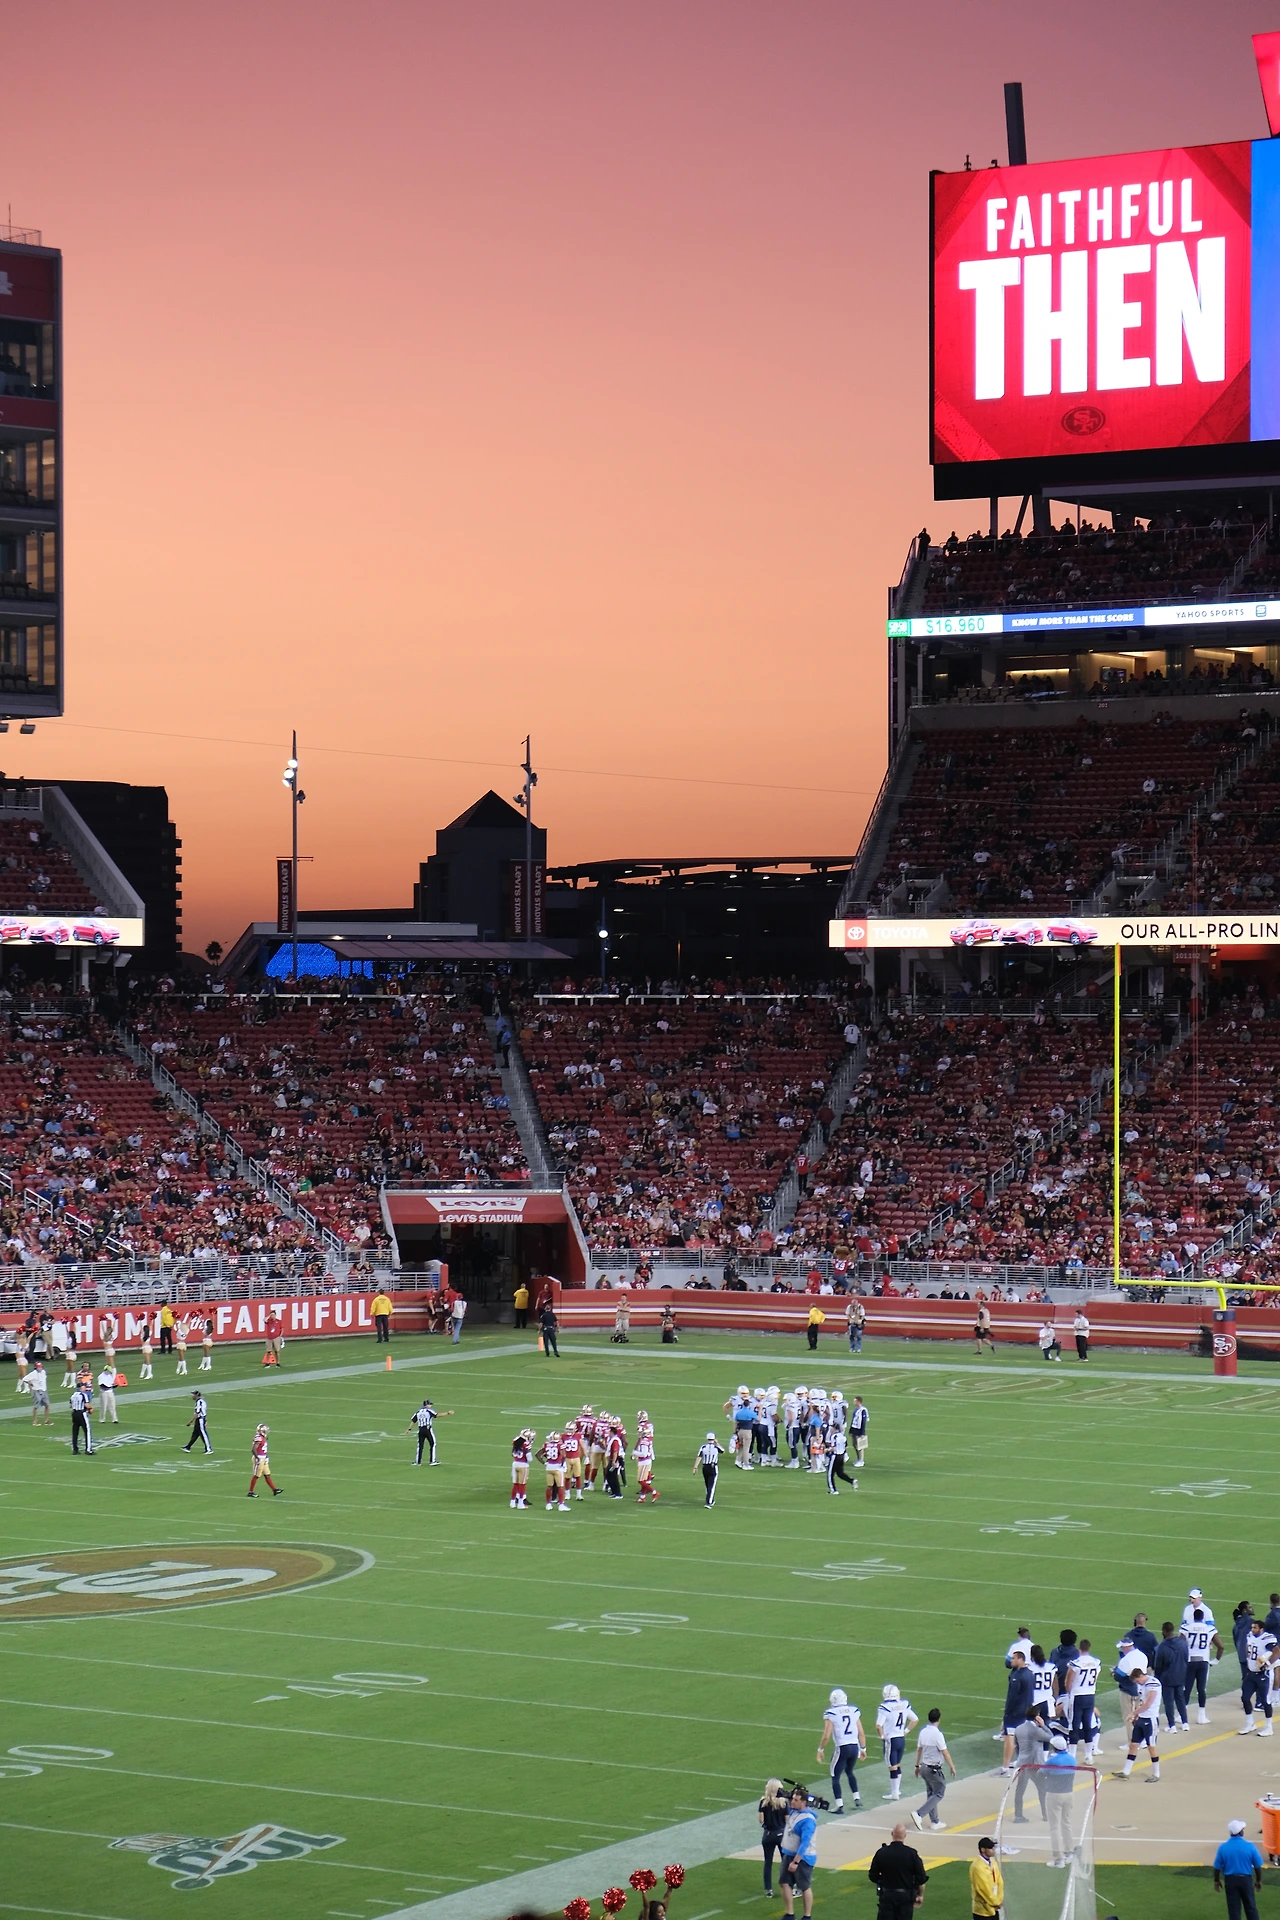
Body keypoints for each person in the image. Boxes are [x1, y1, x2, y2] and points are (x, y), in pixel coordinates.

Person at [817, 1686, 865, 1813]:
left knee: (835, 1776)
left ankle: (839, 1805)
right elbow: (861, 1732)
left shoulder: (831, 1713)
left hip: (842, 1747)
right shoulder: (853, 1710)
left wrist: (820, 1749)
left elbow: (826, 1735)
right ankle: (856, 1797)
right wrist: (863, 1748)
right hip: (854, 1746)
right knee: (849, 1771)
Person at [867, 1821, 927, 1919]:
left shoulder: (881, 1853)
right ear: (905, 1835)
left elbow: (873, 1875)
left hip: (887, 1896)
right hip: (906, 1898)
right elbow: (921, 1878)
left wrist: (882, 1880)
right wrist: (919, 1895)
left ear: (892, 1834)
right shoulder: (912, 1854)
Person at [1112, 1664, 1161, 1780]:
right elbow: (1141, 1701)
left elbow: (1148, 1704)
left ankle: (1156, 1773)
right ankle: (1126, 1771)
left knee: (1151, 1746)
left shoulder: (1153, 1684)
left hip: (1150, 1719)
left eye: (1137, 1680)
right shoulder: (1141, 1685)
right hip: (1142, 1718)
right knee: (1133, 1745)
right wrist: (1137, 1715)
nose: (1137, 1683)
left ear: (1141, 1676)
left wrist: (1133, 1713)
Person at [778, 1784, 818, 1920]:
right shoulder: (794, 1812)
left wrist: (796, 1861)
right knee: (784, 1882)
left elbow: (805, 1843)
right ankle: (790, 1914)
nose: (792, 1801)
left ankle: (807, 1916)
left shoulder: (808, 1820)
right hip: (789, 1854)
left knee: (804, 1886)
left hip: (803, 1858)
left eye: (796, 1800)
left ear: (803, 1803)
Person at [911, 1707, 954, 1832]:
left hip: (924, 1767)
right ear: (939, 1719)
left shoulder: (923, 1732)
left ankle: (934, 1821)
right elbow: (944, 1752)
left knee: (931, 1794)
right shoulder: (937, 1734)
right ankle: (919, 1814)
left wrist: (917, 1766)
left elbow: (919, 1750)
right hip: (933, 1769)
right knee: (939, 1792)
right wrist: (952, 1766)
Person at [1213, 1818, 1264, 1920]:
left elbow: (1217, 1867)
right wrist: (1258, 1880)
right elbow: (1257, 1866)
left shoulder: (1223, 1847)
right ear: (1241, 1832)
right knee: (1251, 1907)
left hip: (1230, 1881)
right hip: (1246, 1880)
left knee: (1234, 1909)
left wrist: (1216, 1880)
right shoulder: (1250, 1846)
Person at [877, 1684, 918, 1802]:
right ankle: (897, 1790)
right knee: (897, 1764)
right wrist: (906, 1731)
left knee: (892, 1766)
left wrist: (882, 1736)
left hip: (891, 1739)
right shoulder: (904, 1704)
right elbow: (915, 1719)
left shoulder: (885, 1707)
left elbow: (878, 1725)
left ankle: (895, 1793)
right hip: (901, 1738)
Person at [1042, 1731, 1077, 1867]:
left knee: (1054, 1827)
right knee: (1066, 1823)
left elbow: (1040, 1774)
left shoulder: (1052, 1761)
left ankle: (1058, 1858)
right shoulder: (1072, 1759)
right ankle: (1069, 1852)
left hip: (1054, 1794)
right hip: (1069, 1794)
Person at [1182, 1605, 1222, 1723]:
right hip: (1203, 1661)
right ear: (1203, 1618)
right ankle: (1201, 1716)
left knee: (1187, 1688)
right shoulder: (1209, 1629)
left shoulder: (1187, 1628)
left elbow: (1180, 1644)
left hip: (1190, 1660)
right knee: (1201, 1689)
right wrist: (1216, 1660)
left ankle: (1182, 1715)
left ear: (1193, 1617)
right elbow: (1221, 1646)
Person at [1065, 1638, 1102, 1759]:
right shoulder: (1096, 1662)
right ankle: (1088, 1755)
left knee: (1074, 1725)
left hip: (1077, 1695)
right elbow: (1095, 1678)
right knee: (1087, 1724)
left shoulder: (1075, 1663)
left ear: (1079, 1648)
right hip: (1090, 1695)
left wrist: (1070, 1691)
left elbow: (1068, 1681)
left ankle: (1072, 1755)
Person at [1242, 1615, 1279, 1736]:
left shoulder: (1267, 1638)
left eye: (1255, 1628)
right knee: (1245, 1698)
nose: (1252, 1629)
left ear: (1261, 1629)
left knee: (1265, 1701)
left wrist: (1267, 1663)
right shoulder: (1249, 1635)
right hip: (1251, 1673)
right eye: (1252, 1627)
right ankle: (1250, 1723)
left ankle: (1268, 1727)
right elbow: (1247, 1647)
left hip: (1264, 1674)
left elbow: (1277, 1651)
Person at [1000, 1650, 1034, 1774]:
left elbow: (1013, 1696)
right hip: (1025, 1710)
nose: (1011, 1660)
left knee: (1009, 1737)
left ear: (1020, 1659)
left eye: (1014, 1658)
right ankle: (1022, 1762)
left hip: (1014, 1712)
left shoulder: (1018, 1676)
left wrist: (1008, 1711)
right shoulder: (1029, 1673)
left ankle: (1005, 1767)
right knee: (1021, 1738)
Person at [1154, 1620, 1190, 1732]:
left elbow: (1158, 1665)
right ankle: (1185, 1723)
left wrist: (1157, 1677)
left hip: (1167, 1678)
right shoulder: (1183, 1643)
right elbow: (1186, 1658)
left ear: (1164, 1631)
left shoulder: (1162, 1646)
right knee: (1180, 1699)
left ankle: (1172, 1725)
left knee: (1169, 1702)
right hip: (1180, 1676)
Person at [758, 1777, 789, 1896]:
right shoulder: (783, 1803)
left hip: (768, 1834)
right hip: (781, 1834)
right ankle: (788, 1886)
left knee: (768, 1862)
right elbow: (787, 1820)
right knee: (785, 1862)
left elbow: (761, 1820)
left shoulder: (763, 1801)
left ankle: (768, 1889)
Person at [405, 1397, 452, 1465]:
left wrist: (409, 1429)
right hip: (427, 1429)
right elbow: (437, 1415)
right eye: (430, 1404)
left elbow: (413, 1421)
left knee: (420, 1446)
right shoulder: (429, 1411)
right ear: (426, 1405)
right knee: (433, 1443)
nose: (431, 1405)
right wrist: (447, 1413)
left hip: (420, 1430)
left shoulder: (418, 1412)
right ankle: (432, 1461)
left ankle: (417, 1462)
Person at [968, 1836, 1003, 1919]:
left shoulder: (993, 1863)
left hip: (994, 1908)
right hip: (982, 1911)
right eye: (990, 1848)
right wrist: (995, 1902)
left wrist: (999, 1900)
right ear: (983, 1849)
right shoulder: (977, 1867)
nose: (993, 1849)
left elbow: (1000, 1882)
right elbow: (983, 1889)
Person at [535, 1429, 568, 1513]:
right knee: (560, 1486)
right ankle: (561, 1505)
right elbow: (564, 1455)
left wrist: (544, 1462)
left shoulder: (546, 1444)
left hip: (549, 1467)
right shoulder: (560, 1445)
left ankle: (548, 1504)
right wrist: (562, 1464)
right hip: (557, 1467)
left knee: (549, 1486)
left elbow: (537, 1454)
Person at [248, 1422, 282, 1496]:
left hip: (263, 1458)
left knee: (267, 1474)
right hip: (259, 1458)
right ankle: (250, 1492)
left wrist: (265, 1457)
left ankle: (274, 1490)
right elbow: (253, 1449)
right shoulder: (259, 1438)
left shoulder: (262, 1437)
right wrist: (258, 1458)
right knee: (256, 1475)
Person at [825, 1421, 858, 1496]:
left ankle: (833, 1490)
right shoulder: (843, 1436)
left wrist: (826, 1450)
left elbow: (833, 1448)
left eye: (832, 1427)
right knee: (840, 1473)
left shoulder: (834, 1436)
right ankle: (851, 1481)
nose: (830, 1429)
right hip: (841, 1456)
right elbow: (845, 1446)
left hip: (835, 1456)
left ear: (834, 1428)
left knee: (830, 1474)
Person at [695, 1431, 724, 1507]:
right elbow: (722, 1451)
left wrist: (695, 1467)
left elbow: (699, 1457)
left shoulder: (703, 1447)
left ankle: (710, 1499)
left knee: (707, 1484)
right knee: (712, 1485)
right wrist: (717, 1443)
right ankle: (709, 1502)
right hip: (713, 1467)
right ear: (714, 1439)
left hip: (705, 1467)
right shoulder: (716, 1447)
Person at [69, 1376, 94, 1455]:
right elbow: (87, 1405)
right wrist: (91, 1408)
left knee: (75, 1431)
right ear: (81, 1388)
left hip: (74, 1413)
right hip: (82, 1413)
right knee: (87, 1431)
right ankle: (88, 1449)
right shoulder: (83, 1395)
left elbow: (70, 1405)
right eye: (84, 1387)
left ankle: (75, 1449)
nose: (85, 1388)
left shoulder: (73, 1395)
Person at [510, 1427, 534, 1508]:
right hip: (523, 1465)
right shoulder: (526, 1444)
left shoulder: (516, 1441)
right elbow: (529, 1458)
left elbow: (512, 1453)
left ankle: (512, 1502)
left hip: (515, 1463)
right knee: (522, 1485)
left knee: (515, 1484)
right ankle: (520, 1503)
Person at [184, 1390, 212, 1454]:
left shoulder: (199, 1402)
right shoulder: (202, 1401)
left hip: (200, 1420)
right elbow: (203, 1412)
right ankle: (188, 1447)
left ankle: (209, 1449)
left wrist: (190, 1422)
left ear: (196, 1395)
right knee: (195, 1434)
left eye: (193, 1395)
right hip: (200, 1419)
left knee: (203, 1434)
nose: (192, 1396)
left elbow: (197, 1413)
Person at [27, 1360, 51, 1427]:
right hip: (36, 1390)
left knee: (47, 1405)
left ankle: (47, 1420)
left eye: (40, 1367)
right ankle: (35, 1421)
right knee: (36, 1406)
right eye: (38, 1367)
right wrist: (30, 1383)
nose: (40, 1368)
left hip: (44, 1390)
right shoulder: (33, 1373)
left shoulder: (43, 1372)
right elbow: (25, 1379)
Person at [96, 1358, 120, 1425]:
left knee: (112, 1405)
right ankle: (102, 1419)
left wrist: (114, 1385)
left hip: (110, 1392)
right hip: (104, 1392)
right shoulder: (101, 1376)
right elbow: (102, 1385)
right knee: (104, 1406)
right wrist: (110, 1386)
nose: (110, 1372)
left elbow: (111, 1383)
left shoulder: (109, 1375)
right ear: (106, 1370)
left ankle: (114, 1419)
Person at [850, 1395, 869, 1468]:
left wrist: (862, 1433)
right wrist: (851, 1430)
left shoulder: (863, 1410)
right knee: (854, 1444)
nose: (854, 1402)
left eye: (855, 1401)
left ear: (858, 1402)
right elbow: (853, 1419)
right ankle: (858, 1459)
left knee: (860, 1445)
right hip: (854, 1428)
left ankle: (861, 1460)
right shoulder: (856, 1409)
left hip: (859, 1429)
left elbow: (863, 1422)